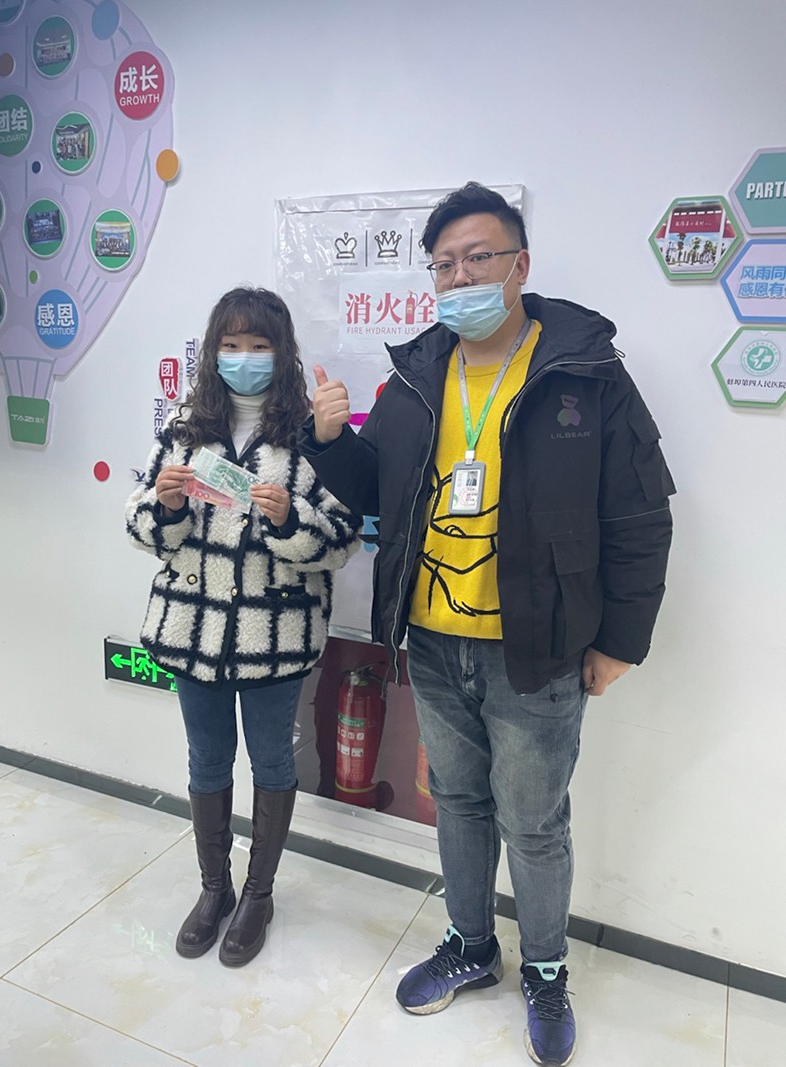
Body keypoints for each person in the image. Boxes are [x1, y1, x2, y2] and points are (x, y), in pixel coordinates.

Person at [298, 183, 674, 1066]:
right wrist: (330, 442)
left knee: (534, 822)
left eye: (478, 258)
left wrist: (621, 641)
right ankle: (472, 944)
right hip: (432, 641)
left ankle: (544, 969)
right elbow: (378, 489)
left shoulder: (584, 374)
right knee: (459, 802)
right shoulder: (416, 376)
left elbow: (639, 514)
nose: (460, 277)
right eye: (444, 265)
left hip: (537, 649)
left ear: (519, 264)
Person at [126, 286, 360, 968]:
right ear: (213, 351)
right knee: (206, 759)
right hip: (192, 628)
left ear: (282, 352)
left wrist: (289, 519)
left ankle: (259, 894)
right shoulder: (184, 426)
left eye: (259, 345)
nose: (244, 357)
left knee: (273, 760)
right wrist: (166, 506)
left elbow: (344, 537)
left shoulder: (311, 434)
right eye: (231, 345)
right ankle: (214, 889)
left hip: (274, 632)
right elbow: (140, 522)